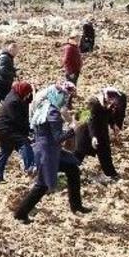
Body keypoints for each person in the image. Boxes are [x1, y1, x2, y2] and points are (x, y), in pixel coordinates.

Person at [14, 82, 89, 224]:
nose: (65, 100)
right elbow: (58, 138)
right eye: (64, 97)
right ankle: (20, 213)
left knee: (72, 169)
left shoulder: (44, 107)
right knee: (42, 184)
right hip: (48, 152)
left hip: (47, 149)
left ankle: (76, 205)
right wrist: (73, 129)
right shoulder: (52, 112)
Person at [74, 87, 127, 183]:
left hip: (100, 131)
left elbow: (108, 114)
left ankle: (111, 174)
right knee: (80, 153)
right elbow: (91, 121)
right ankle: (65, 170)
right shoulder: (94, 103)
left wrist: (113, 124)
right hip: (86, 132)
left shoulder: (107, 104)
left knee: (105, 153)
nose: (112, 100)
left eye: (113, 98)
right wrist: (93, 136)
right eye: (110, 98)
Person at [0, 81, 35, 182]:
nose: (28, 95)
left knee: (5, 150)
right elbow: (18, 120)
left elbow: (24, 107)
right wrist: (28, 132)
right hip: (5, 129)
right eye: (27, 93)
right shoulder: (13, 102)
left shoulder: (15, 95)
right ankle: (30, 167)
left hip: (2, 129)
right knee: (24, 143)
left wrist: (28, 99)